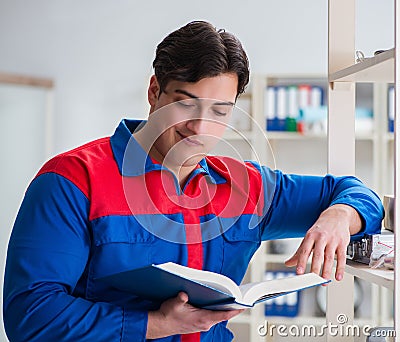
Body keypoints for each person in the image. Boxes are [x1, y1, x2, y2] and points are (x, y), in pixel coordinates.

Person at [3, 21, 383, 342]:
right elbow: (30, 315)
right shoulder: (71, 181)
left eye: (220, 111)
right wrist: (154, 325)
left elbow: (357, 193)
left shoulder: (247, 188)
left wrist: (338, 216)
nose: (200, 128)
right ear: (155, 92)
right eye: (186, 104)